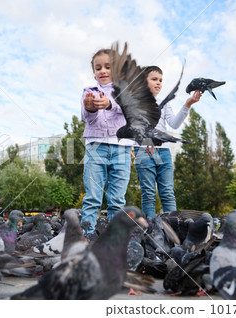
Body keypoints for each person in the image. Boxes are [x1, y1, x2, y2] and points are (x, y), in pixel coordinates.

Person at [134, 65, 202, 218]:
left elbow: (174, 124)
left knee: (167, 193)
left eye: (160, 80)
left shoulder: (164, 102)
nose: (158, 83)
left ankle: (173, 228)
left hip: (164, 152)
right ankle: (152, 230)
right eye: (154, 79)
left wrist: (188, 104)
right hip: (144, 151)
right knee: (149, 194)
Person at [80, 48, 134, 234]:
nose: (102, 71)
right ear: (94, 72)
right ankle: (86, 235)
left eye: (108, 67)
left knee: (117, 198)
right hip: (96, 146)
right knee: (93, 196)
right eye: (98, 68)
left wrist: (110, 104)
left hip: (122, 148)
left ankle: (115, 236)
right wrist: (91, 109)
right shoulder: (89, 91)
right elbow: (87, 118)